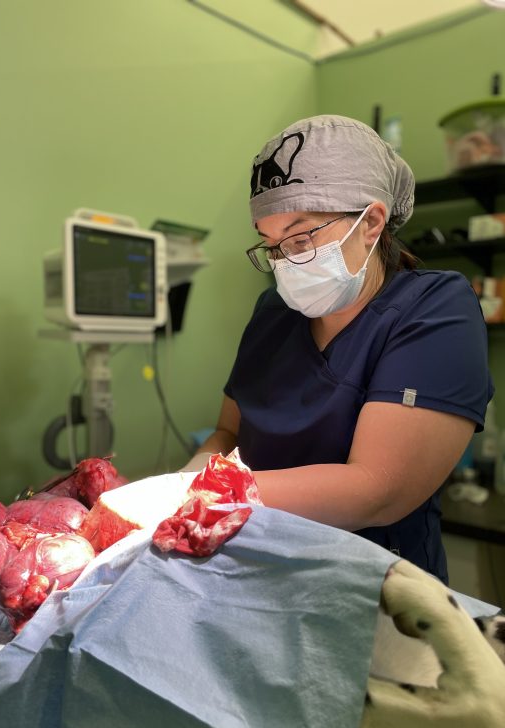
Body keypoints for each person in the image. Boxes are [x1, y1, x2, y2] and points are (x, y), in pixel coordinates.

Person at [183, 114, 493, 583]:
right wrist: (189, 477)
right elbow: (228, 434)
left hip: (376, 596)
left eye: (301, 236)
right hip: (253, 572)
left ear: (370, 222)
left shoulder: (434, 308)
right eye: (271, 245)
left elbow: (377, 489)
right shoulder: (273, 311)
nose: (286, 261)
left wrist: (206, 493)